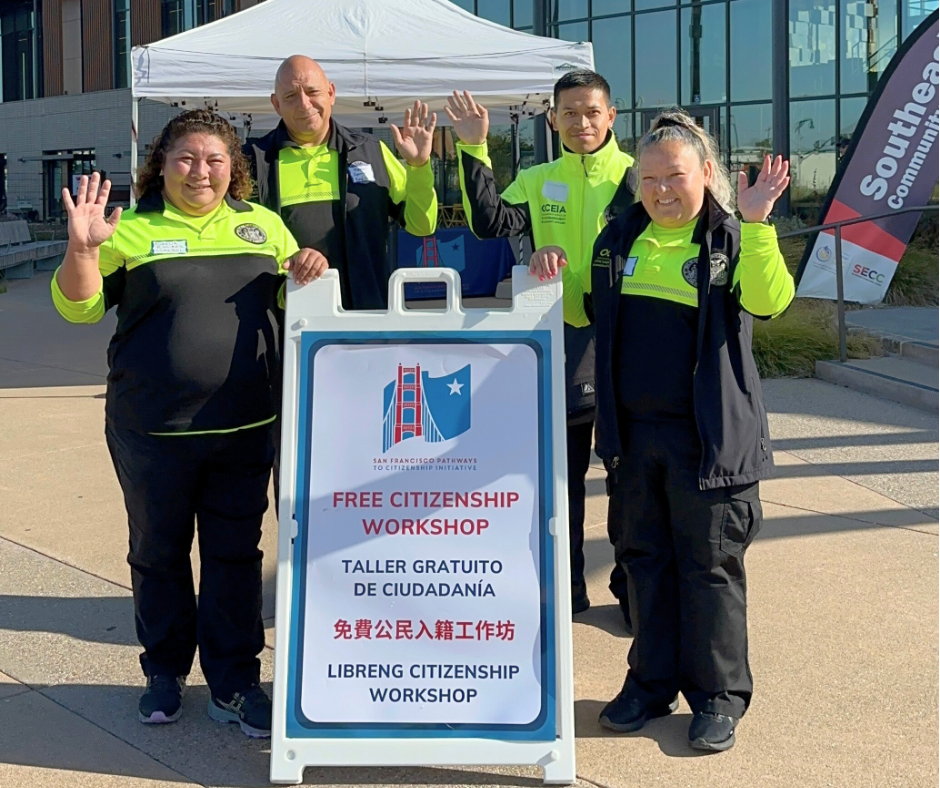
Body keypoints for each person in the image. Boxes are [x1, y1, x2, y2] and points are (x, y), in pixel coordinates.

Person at [51, 109, 326, 739]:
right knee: (158, 553)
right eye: (185, 158)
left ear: (234, 169)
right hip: (151, 430)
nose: (200, 171)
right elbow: (78, 306)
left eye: (214, 160)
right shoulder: (130, 229)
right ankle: (165, 673)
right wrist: (82, 247)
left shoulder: (265, 228)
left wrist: (308, 266)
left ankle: (234, 683)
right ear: (162, 164)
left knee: (234, 556)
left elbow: (300, 305)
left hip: (243, 427)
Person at [583, 109, 794, 752]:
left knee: (710, 571)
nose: (661, 190)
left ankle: (718, 698)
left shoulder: (732, 238)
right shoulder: (617, 240)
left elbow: (768, 300)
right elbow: (582, 309)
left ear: (706, 173)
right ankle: (649, 684)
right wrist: (548, 265)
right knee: (643, 565)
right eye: (649, 179)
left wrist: (757, 225)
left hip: (711, 445)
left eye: (674, 176)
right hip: (635, 442)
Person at [445, 70, 636, 624]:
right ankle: (565, 588)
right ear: (552, 119)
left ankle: (631, 591)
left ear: (611, 117)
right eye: (570, 113)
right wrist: (474, 145)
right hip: (562, 341)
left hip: (627, 339)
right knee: (563, 477)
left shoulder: (634, 175)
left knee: (629, 475)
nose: (581, 123)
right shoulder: (537, 177)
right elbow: (489, 223)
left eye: (592, 112)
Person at [245, 54, 438, 311]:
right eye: (291, 96)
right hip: (286, 324)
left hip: (367, 318)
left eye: (313, 92)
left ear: (331, 93)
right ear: (276, 104)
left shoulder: (372, 152)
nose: (304, 104)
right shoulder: (251, 162)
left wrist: (419, 167)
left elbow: (422, 226)